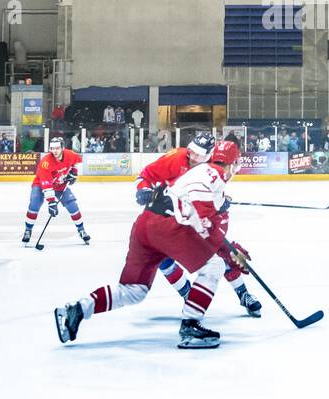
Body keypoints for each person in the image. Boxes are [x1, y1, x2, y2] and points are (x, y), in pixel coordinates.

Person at [54, 140, 251, 349]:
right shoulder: (213, 173)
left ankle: (77, 310)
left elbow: (205, 226)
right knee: (213, 267)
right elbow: (200, 209)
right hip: (167, 227)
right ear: (233, 163)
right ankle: (191, 326)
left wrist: (228, 248)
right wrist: (214, 225)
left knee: (134, 290)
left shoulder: (201, 173)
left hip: (145, 225)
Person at [137, 134, 260, 317]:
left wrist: (219, 203)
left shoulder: (213, 166)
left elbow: (213, 192)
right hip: (170, 215)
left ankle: (243, 294)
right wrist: (143, 190)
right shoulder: (177, 158)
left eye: (199, 154)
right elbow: (146, 175)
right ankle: (188, 295)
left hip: (194, 216)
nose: (193, 157)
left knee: (218, 251)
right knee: (163, 258)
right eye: (192, 152)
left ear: (209, 155)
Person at [21, 137, 89, 246]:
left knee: (72, 205)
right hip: (40, 185)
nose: (54, 151)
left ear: (62, 147)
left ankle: (81, 230)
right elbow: (46, 184)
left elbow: (78, 161)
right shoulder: (46, 162)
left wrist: (74, 172)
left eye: (57, 148)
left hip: (60, 184)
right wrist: (51, 202)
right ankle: (28, 230)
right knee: (34, 205)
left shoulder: (70, 154)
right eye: (52, 148)